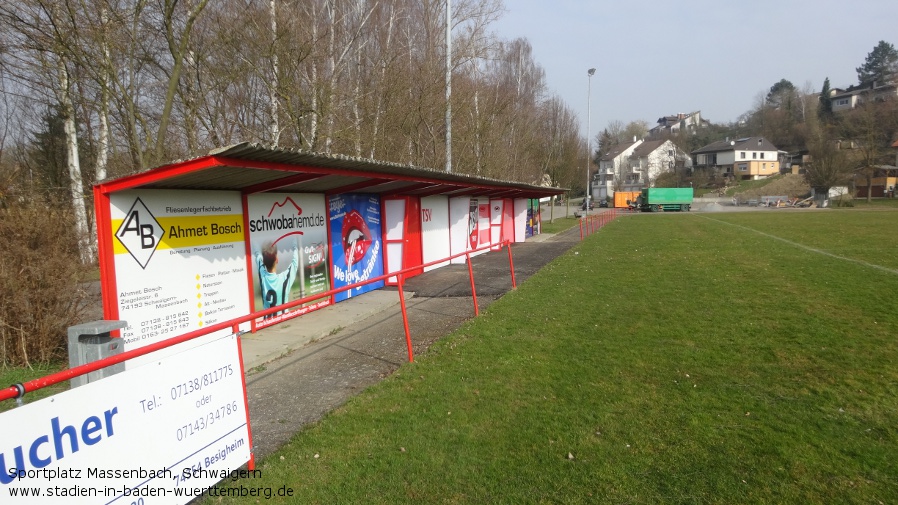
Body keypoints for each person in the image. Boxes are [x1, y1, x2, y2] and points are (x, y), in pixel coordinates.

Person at [257, 238, 300, 317]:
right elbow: (295, 263)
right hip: (283, 322)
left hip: (267, 325)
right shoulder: (284, 278)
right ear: (277, 259)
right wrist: (294, 242)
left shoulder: (262, 277)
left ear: (263, 261)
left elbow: (257, 254)